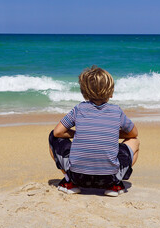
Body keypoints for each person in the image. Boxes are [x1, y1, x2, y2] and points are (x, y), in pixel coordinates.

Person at [48, 66, 139, 197]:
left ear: (84, 92)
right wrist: (112, 134)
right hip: (109, 178)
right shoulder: (116, 111)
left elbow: (58, 132)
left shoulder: (79, 109)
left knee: (52, 136)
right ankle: (116, 184)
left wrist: (77, 133)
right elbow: (133, 134)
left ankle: (69, 182)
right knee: (135, 142)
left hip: (78, 177)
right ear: (111, 92)